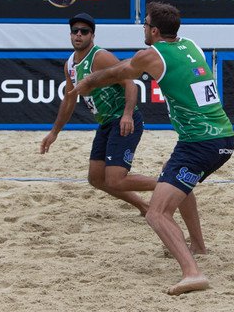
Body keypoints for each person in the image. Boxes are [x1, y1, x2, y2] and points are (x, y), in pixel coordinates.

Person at [71, 2, 234, 295]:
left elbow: (118, 73)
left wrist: (89, 81)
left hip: (198, 143)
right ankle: (198, 246)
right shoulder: (191, 45)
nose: (143, 29)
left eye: (145, 25)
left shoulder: (151, 55)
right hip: (224, 138)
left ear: (155, 30)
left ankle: (192, 273)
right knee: (175, 180)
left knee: (156, 213)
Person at [40, 12, 157, 216]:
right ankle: (144, 206)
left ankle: (170, 184)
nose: (79, 34)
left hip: (123, 120)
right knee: (96, 178)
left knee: (115, 178)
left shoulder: (100, 56)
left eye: (84, 31)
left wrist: (127, 114)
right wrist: (54, 132)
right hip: (105, 123)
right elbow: (69, 100)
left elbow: (130, 84)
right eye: (75, 31)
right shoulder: (70, 64)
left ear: (92, 36)